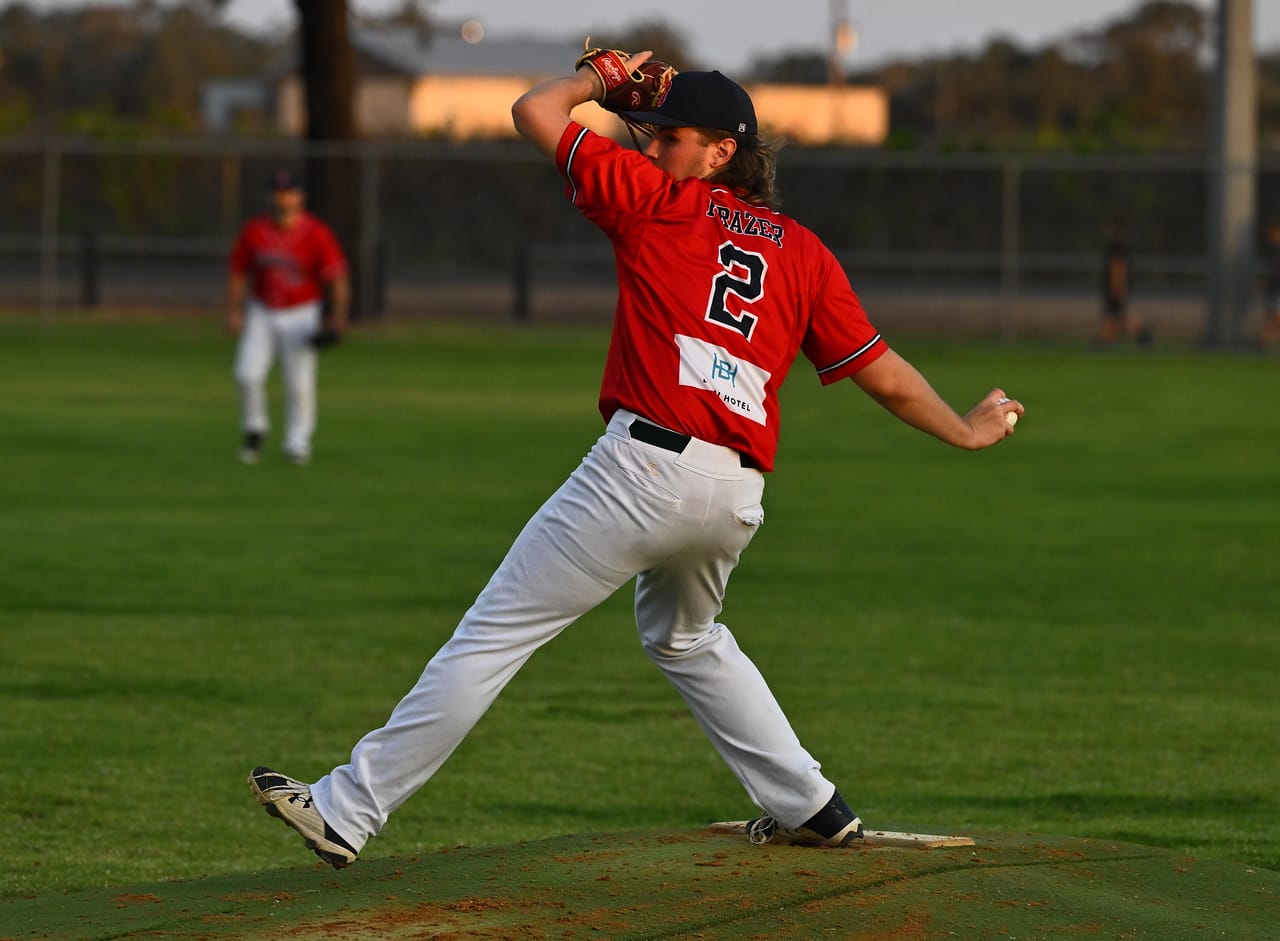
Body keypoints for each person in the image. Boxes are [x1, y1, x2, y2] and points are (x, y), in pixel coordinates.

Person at [247, 55, 1025, 868]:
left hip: (642, 472)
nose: (651, 148)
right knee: (687, 636)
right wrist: (964, 430)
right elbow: (882, 371)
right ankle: (812, 806)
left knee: (492, 635)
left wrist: (599, 80)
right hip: (734, 494)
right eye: (649, 135)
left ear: (722, 152)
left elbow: (534, 111)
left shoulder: (658, 200)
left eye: (670, 136)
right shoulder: (803, 252)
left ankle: (346, 808)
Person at [226, 168, 350, 465]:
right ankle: (255, 428)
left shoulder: (316, 233)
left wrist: (337, 317)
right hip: (262, 310)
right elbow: (237, 272)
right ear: (270, 197)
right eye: (278, 193)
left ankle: (298, 441)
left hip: (301, 313)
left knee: (298, 383)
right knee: (246, 374)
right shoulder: (255, 231)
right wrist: (234, 311)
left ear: (300, 197)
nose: (283, 200)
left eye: (289, 193)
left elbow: (337, 277)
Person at [1096, 221, 1152, 347]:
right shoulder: (1117, 246)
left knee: (1115, 315)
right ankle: (1140, 330)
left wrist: (1117, 288)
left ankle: (1141, 330)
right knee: (1116, 316)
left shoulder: (1117, 247)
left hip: (1115, 289)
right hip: (1114, 289)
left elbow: (1119, 268)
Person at [1258, 222, 1280, 350]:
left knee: (1275, 319)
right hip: (1276, 290)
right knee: (1275, 319)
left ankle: (1263, 342)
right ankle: (1263, 342)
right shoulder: (1275, 252)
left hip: (1276, 290)